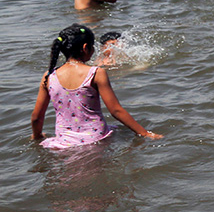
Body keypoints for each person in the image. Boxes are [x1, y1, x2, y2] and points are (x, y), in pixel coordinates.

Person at [30, 25, 161, 147]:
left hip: (64, 142)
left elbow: (37, 116)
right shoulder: (96, 73)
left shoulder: (49, 76)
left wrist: (37, 136)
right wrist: (145, 133)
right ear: (85, 47)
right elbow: (116, 110)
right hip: (96, 139)